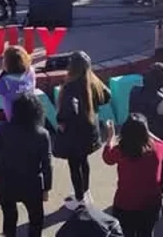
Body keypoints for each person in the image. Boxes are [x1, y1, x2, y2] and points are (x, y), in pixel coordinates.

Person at [0, 94, 52, 237]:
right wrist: (46, 188)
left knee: (9, 218)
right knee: (36, 220)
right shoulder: (43, 134)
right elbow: (47, 164)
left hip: (5, 181)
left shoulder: (4, 129)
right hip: (31, 184)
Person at [102, 114, 163, 237]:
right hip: (151, 205)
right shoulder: (157, 150)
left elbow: (107, 157)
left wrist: (111, 136)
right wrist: (149, 134)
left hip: (125, 204)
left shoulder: (120, 151)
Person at [55, 52, 110, 211]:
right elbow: (107, 96)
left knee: (74, 165)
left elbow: (66, 112)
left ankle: (79, 198)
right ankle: (85, 192)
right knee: (84, 161)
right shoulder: (93, 81)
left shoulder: (70, 86)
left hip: (74, 133)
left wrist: (61, 121)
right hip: (90, 130)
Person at [0, 46, 37, 122]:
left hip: (12, 118)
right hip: (30, 113)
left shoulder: (6, 81)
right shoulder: (31, 72)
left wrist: (5, 71)